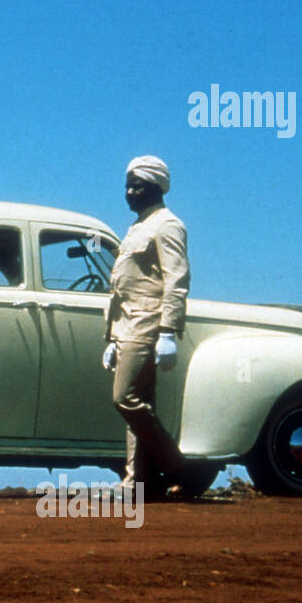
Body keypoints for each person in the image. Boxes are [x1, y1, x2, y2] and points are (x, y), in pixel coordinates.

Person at [102, 156, 190, 500]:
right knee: (140, 405)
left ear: (155, 188)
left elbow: (176, 278)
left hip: (148, 323)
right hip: (127, 325)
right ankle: (136, 484)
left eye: (137, 186)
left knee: (125, 398)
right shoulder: (137, 227)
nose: (129, 193)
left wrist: (168, 330)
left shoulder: (168, 225)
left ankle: (178, 466)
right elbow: (121, 286)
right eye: (127, 185)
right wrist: (111, 336)